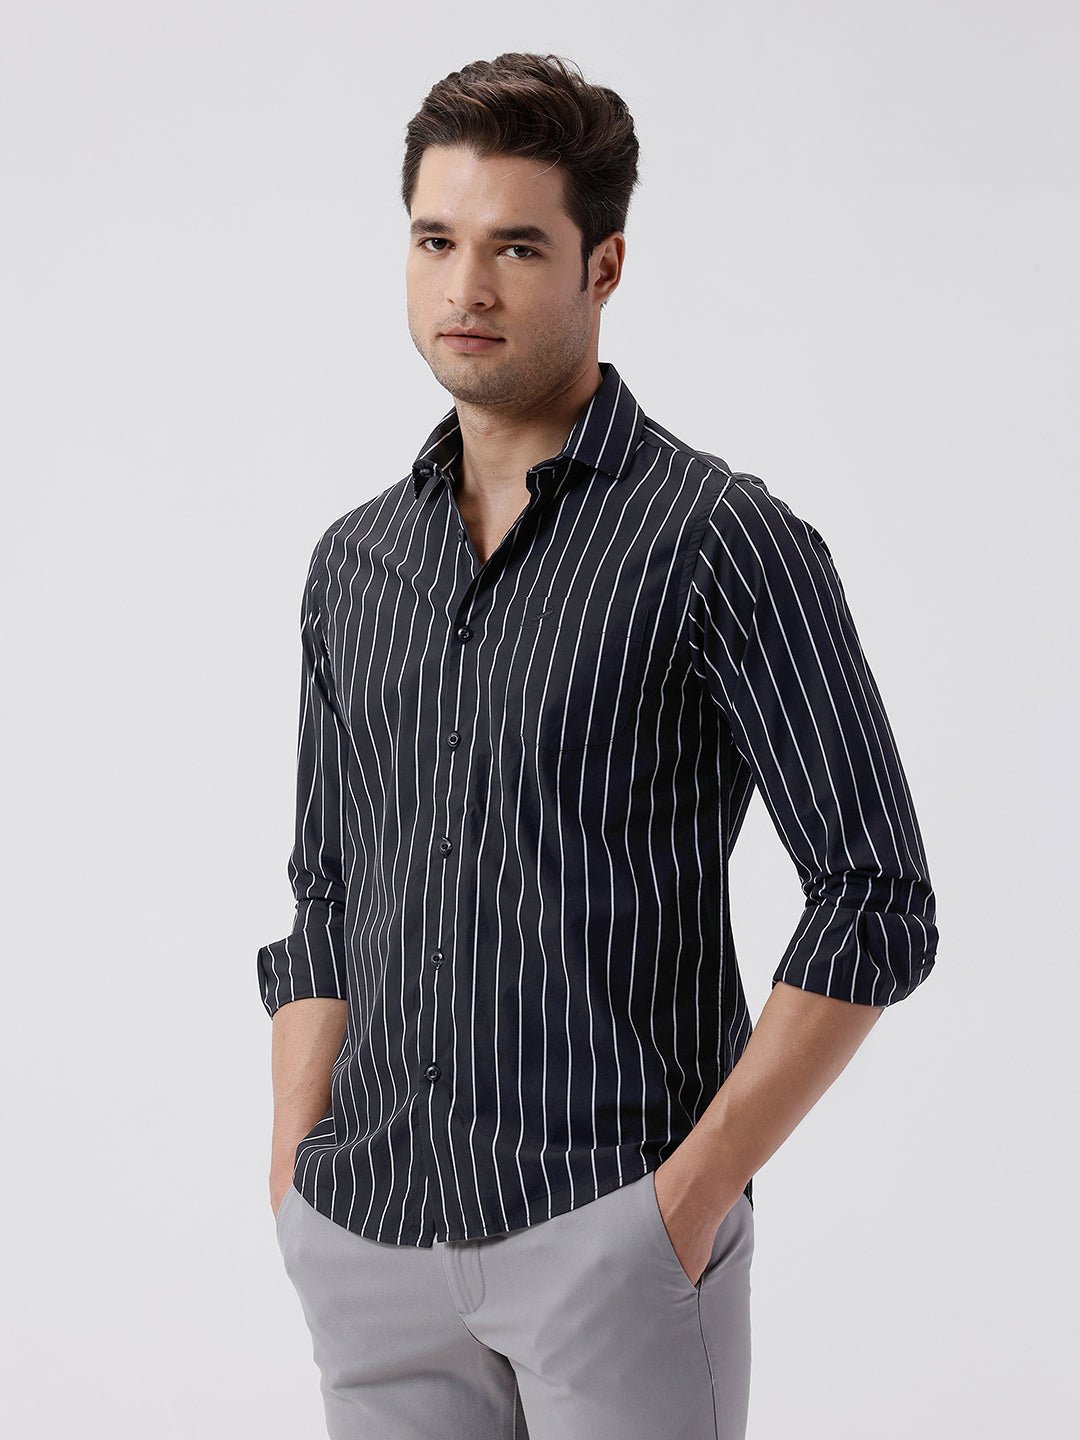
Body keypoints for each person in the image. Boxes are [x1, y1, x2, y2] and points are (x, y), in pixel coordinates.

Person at [257, 52, 937, 1440]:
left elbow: (877, 899)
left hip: (610, 1235)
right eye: (435, 241)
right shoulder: (354, 564)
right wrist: (296, 1176)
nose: (466, 287)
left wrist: (687, 1200)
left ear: (603, 265)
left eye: (516, 246)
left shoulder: (719, 540)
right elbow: (327, 889)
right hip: (368, 1239)